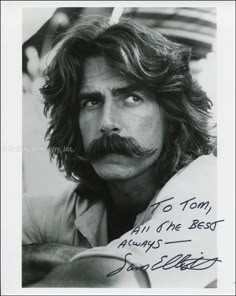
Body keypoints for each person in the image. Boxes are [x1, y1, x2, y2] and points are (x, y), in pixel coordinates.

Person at [22, 17, 218, 288]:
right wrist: (41, 255)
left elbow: (111, 283)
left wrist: (33, 261)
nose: (106, 123)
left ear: (172, 115)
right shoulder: (70, 207)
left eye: (131, 98)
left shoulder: (211, 186)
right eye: (91, 102)